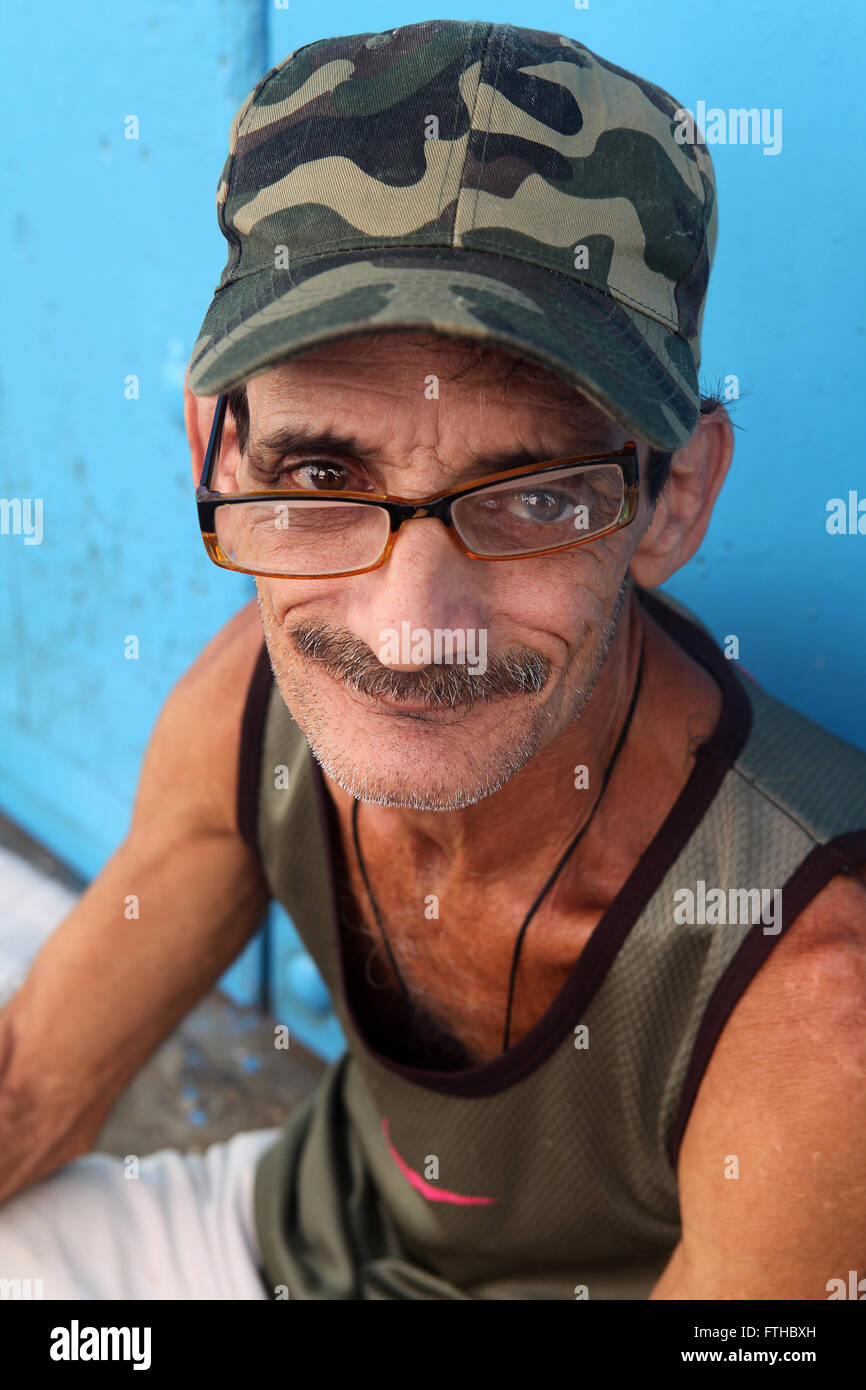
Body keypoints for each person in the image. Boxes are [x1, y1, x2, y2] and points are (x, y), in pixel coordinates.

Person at [1, 18, 864, 1302]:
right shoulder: (250, 699)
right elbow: (30, 1087)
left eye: (531, 496)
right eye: (321, 476)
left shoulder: (811, 998)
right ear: (214, 454)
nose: (409, 634)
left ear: (675, 498)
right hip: (280, 1242)